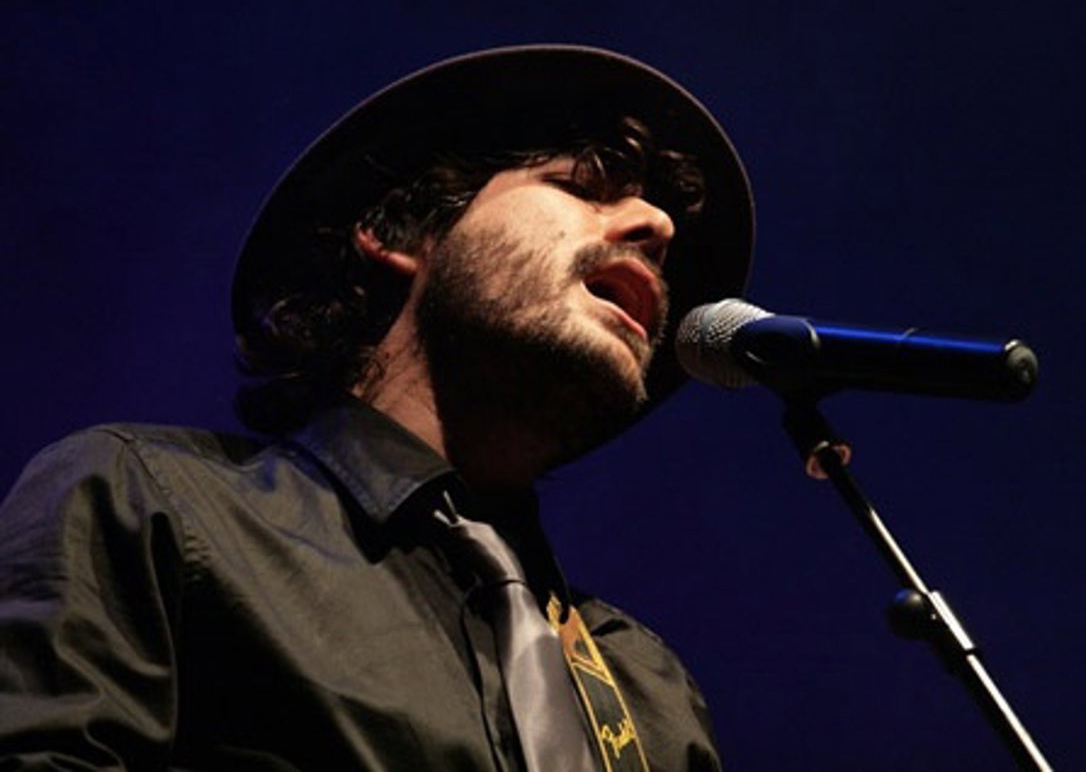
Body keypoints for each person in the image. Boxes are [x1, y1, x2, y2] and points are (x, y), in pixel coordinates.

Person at [0, 45, 754, 770]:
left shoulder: (650, 692)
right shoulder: (151, 505)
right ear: (404, 230)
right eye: (582, 187)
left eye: (657, 218)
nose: (657, 227)